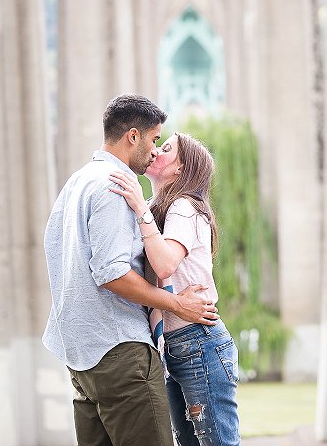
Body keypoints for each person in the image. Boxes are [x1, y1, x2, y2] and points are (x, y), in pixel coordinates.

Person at [42, 94, 219, 446]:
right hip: (120, 353)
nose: (155, 151)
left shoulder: (76, 182)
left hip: (80, 357)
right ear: (133, 137)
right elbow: (111, 274)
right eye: (154, 140)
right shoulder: (116, 185)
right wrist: (177, 305)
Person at [109, 132, 240, 446]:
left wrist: (139, 207)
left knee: (217, 442)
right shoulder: (157, 209)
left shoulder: (183, 206)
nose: (155, 151)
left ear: (181, 169)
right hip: (174, 344)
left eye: (166, 149)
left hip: (199, 340)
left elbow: (166, 264)